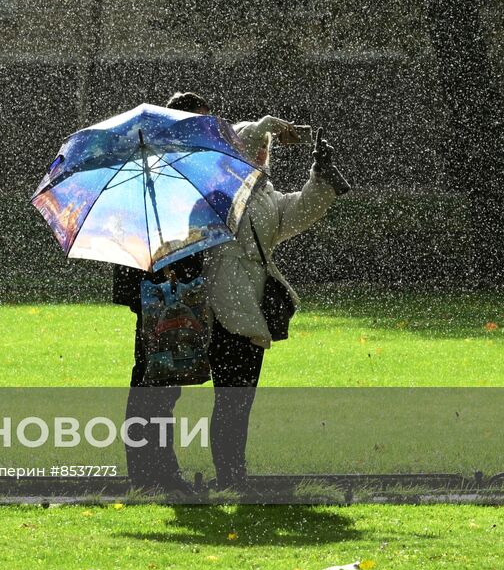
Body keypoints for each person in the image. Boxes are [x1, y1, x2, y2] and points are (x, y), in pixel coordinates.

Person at [117, 91, 348, 495]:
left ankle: (220, 478)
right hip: (176, 299)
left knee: (226, 400)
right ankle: (150, 477)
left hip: (234, 305)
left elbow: (289, 215)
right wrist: (260, 129)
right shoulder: (176, 172)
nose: (214, 137)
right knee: (156, 392)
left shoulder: (253, 188)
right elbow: (214, 171)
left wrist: (320, 179)